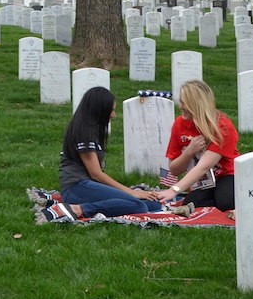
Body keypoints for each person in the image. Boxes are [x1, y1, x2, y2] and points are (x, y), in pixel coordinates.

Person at [43, 87, 163, 221]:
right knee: (138, 206)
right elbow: (96, 174)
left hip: (87, 184)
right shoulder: (83, 132)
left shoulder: (91, 128)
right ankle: (79, 209)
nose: (113, 115)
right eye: (111, 110)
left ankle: (94, 206)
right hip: (76, 187)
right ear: (99, 110)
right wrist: (131, 192)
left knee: (153, 205)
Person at [156, 80, 240, 211]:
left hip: (227, 174)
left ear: (196, 104)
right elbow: (174, 170)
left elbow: (204, 166)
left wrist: (174, 190)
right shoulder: (179, 124)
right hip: (201, 180)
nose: (180, 106)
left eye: (184, 103)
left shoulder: (222, 127)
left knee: (226, 203)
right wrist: (189, 152)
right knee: (193, 204)